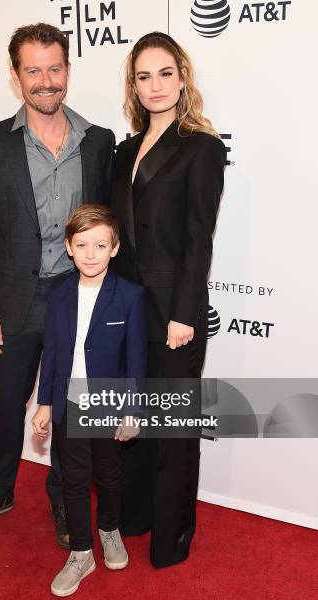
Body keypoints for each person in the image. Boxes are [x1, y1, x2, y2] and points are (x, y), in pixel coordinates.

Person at [0, 24, 115, 547]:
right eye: (33, 70)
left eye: (55, 68)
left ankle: (65, 498)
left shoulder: (99, 142)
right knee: (6, 403)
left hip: (75, 298)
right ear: (17, 75)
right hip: (13, 300)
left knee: (67, 409)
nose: (46, 81)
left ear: (68, 70)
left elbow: (109, 225)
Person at [110, 32, 226, 568]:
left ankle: (172, 536)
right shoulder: (124, 149)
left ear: (182, 76)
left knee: (174, 428)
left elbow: (199, 237)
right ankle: (136, 516)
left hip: (172, 308)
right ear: (133, 86)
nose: (154, 86)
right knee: (132, 417)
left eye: (164, 73)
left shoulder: (202, 146)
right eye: (143, 76)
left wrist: (185, 311)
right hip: (128, 305)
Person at [32, 204, 147, 597]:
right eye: (82, 244)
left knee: (110, 474)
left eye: (100, 244)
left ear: (114, 248)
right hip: (70, 401)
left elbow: (135, 360)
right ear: (68, 246)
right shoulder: (59, 292)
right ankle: (82, 553)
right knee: (74, 480)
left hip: (109, 402)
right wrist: (45, 401)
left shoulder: (130, 296)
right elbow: (51, 350)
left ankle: (110, 529)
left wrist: (132, 408)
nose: (91, 253)